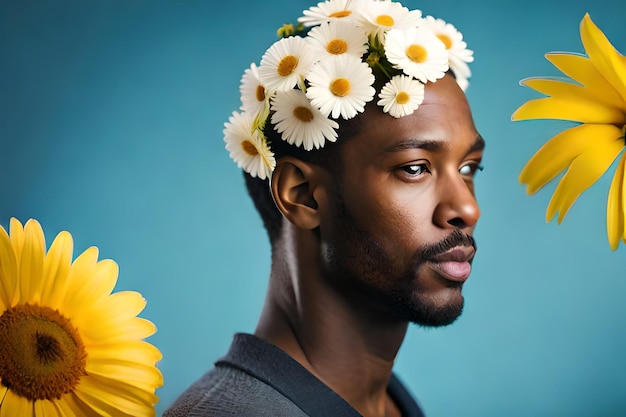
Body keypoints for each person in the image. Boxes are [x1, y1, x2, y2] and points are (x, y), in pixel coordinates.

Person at [165, 1, 483, 416]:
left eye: (468, 167)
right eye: (415, 168)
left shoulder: (388, 403)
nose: (466, 207)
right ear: (302, 195)